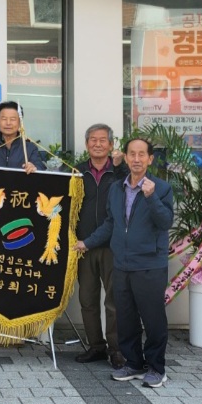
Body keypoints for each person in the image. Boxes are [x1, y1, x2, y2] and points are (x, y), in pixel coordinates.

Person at [74, 137, 174, 389]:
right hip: (122, 263)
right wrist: (88, 242)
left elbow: (165, 222)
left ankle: (156, 368)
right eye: (132, 154)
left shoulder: (161, 188)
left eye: (142, 154)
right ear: (126, 158)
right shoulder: (117, 188)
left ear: (150, 159)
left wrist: (151, 197)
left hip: (149, 264)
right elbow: (111, 223)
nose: (137, 159)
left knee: (153, 319)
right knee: (126, 318)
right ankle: (134, 363)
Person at [74, 124, 128, 368]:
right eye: (93, 140)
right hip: (83, 245)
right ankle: (96, 346)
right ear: (87, 144)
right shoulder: (77, 172)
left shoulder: (119, 172)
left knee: (114, 301)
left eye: (102, 140)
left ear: (111, 144)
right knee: (87, 299)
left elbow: (130, 191)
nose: (97, 144)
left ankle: (116, 349)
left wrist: (120, 166)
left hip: (112, 245)